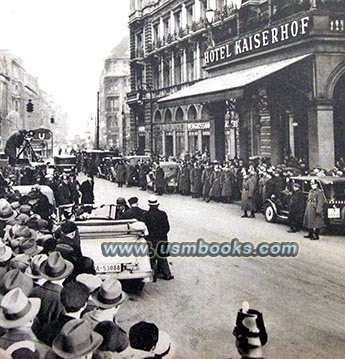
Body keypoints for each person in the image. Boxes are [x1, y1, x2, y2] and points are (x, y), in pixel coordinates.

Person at [141, 195, 173, 281]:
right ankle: (167, 274)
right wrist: (161, 234)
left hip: (151, 239)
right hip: (161, 238)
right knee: (162, 257)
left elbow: (144, 228)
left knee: (151, 258)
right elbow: (167, 228)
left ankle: (153, 276)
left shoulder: (146, 215)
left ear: (149, 205)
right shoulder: (163, 214)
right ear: (157, 205)